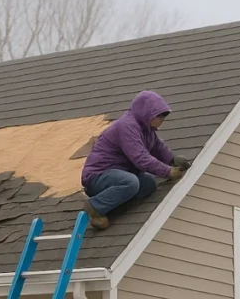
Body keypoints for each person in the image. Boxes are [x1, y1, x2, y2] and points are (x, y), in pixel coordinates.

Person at [79, 90, 191, 230]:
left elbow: (157, 146)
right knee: (130, 182)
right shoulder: (126, 126)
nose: (162, 119)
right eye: (159, 115)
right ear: (147, 112)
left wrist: (172, 160)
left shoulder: (146, 128)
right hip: (98, 176)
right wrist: (168, 171)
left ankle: (113, 203)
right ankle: (95, 207)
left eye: (164, 116)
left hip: (119, 174)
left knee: (148, 183)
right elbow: (141, 158)